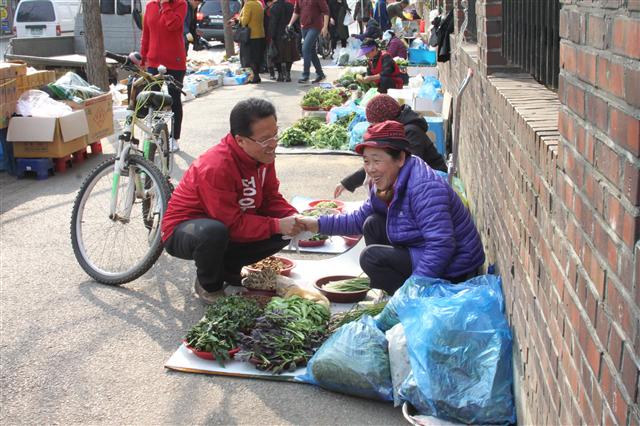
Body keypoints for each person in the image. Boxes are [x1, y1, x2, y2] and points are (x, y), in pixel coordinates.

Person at [297, 121, 485, 294]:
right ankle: (392, 290)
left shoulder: (425, 187)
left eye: (377, 160)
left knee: (371, 258)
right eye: (366, 161)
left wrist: (414, 288)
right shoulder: (384, 184)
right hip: (422, 246)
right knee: (372, 223)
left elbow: (441, 245)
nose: (370, 169)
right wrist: (314, 224)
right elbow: (358, 219)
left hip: (455, 264)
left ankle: (404, 301)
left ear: (400, 158)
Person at [161, 98, 303, 303]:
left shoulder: (263, 156)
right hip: (186, 230)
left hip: (228, 223)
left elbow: (271, 198)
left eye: (275, 134)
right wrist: (276, 225)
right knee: (214, 232)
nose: (273, 144)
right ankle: (209, 286)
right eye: (265, 139)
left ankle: (229, 270)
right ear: (240, 140)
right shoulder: (216, 166)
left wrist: (293, 217)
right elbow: (231, 223)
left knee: (288, 228)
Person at [335, 94, 446, 197]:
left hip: (432, 183)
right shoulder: (393, 132)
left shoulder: (411, 132)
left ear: (385, 120)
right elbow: (380, 163)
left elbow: (407, 168)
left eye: (374, 124)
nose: (373, 128)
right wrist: (348, 183)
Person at [141, 0, 187, 152]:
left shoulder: (181, 4)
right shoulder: (150, 6)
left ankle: (174, 137)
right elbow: (146, 34)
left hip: (175, 62)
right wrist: (143, 58)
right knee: (152, 100)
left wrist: (166, 5)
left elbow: (173, 24)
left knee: (174, 100)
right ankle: (156, 133)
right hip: (153, 62)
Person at [287, 0, 330, 84]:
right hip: (304, 26)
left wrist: (325, 27)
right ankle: (320, 74)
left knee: (305, 48)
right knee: (311, 51)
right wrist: (290, 24)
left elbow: (326, 11)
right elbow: (296, 12)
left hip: (315, 26)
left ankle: (305, 75)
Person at [268, 0, 300, 81]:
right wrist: (297, 31)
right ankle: (288, 74)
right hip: (290, 33)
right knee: (289, 55)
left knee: (277, 55)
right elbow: (296, 20)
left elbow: (273, 23)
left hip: (278, 35)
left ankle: (280, 75)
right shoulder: (290, 6)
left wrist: (271, 35)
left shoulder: (274, 7)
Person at [239, 0, 267, 83]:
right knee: (257, 56)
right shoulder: (259, 3)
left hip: (251, 35)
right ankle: (257, 75)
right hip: (260, 34)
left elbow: (244, 21)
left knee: (250, 57)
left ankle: (255, 76)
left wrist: (239, 18)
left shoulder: (248, 5)